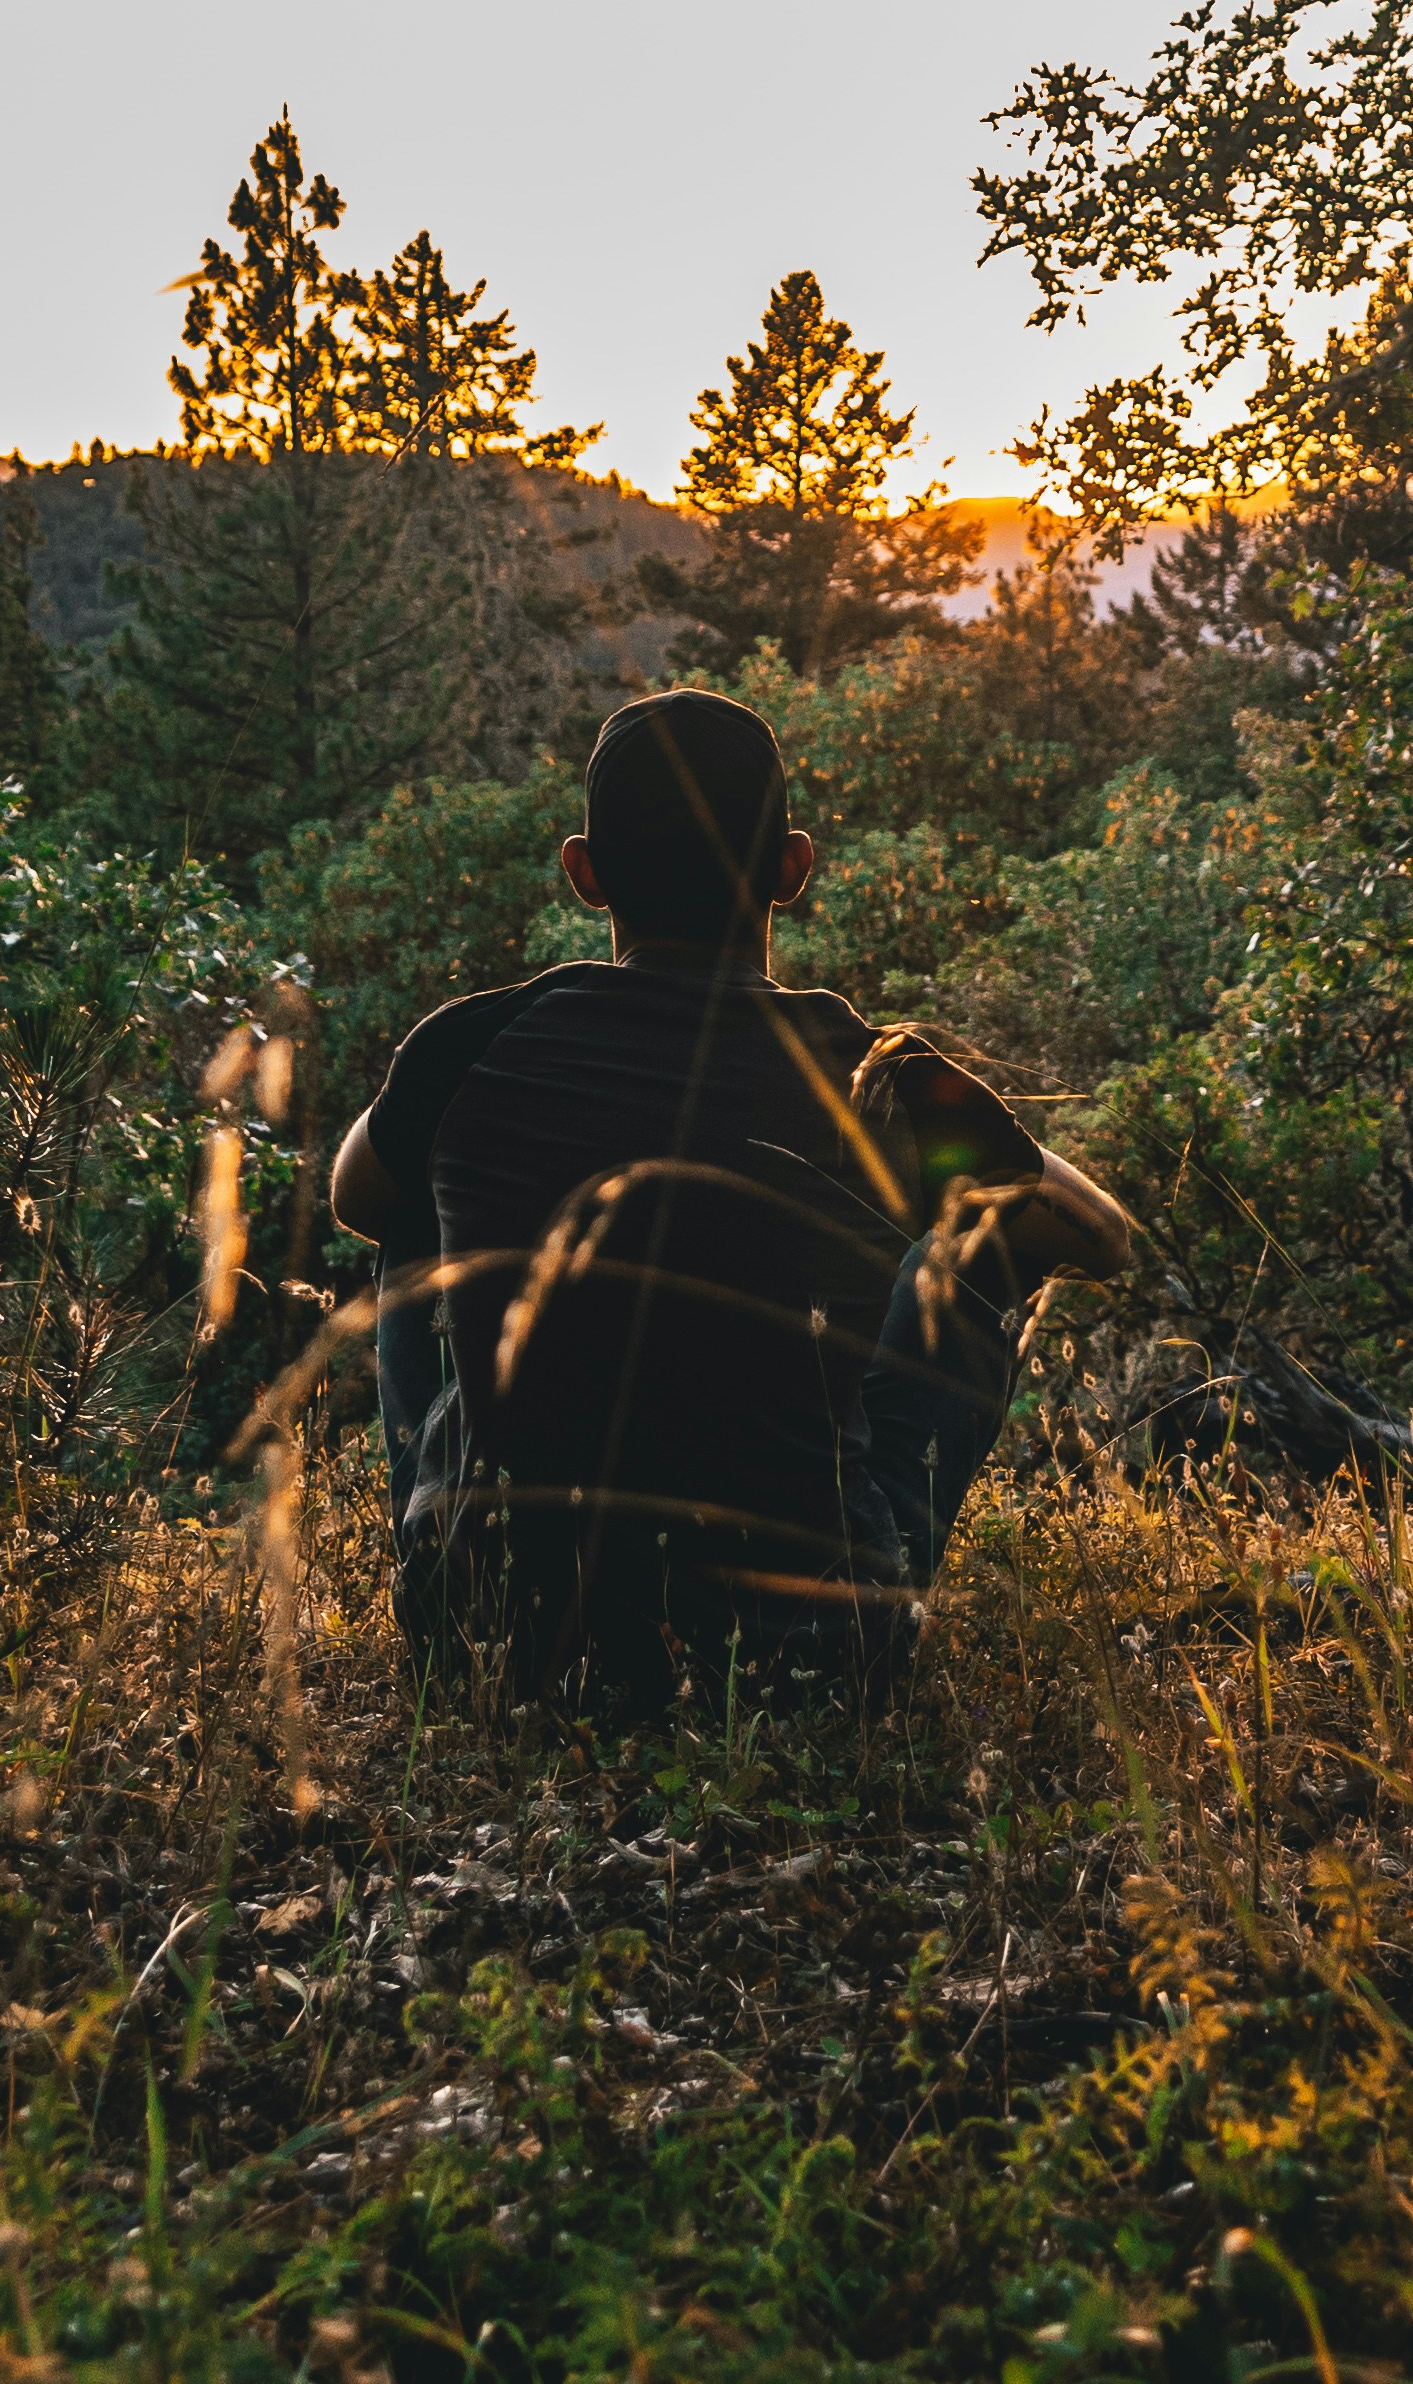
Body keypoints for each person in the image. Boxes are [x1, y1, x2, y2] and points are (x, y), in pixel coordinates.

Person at [325, 687, 1134, 1702]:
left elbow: (358, 1196)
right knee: (991, 1241)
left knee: (413, 1217)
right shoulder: (868, 1069)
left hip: (503, 1642)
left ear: (581, 873)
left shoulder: (475, 1038)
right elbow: (1101, 1236)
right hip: (801, 1658)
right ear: (791, 870)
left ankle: (456, 1567)